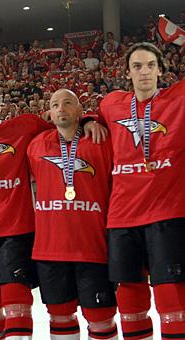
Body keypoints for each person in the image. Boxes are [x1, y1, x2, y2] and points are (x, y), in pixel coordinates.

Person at [0, 86, 107, 339]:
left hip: (16, 229)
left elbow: (63, 123)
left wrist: (88, 119)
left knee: (15, 298)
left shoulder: (24, 126)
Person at [98, 42, 185, 339]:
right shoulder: (111, 104)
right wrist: (86, 121)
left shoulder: (179, 98)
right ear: (127, 72)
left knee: (171, 296)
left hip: (167, 213)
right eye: (137, 66)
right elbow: (92, 120)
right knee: (129, 299)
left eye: (150, 65)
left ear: (161, 70)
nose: (144, 72)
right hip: (122, 217)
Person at [27, 89, 118, 339]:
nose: (61, 108)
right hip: (50, 250)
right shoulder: (36, 145)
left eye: (68, 103)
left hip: (93, 248)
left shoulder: (101, 141)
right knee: (60, 318)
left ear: (80, 110)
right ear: (49, 113)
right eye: (55, 104)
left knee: (101, 320)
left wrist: (92, 120)